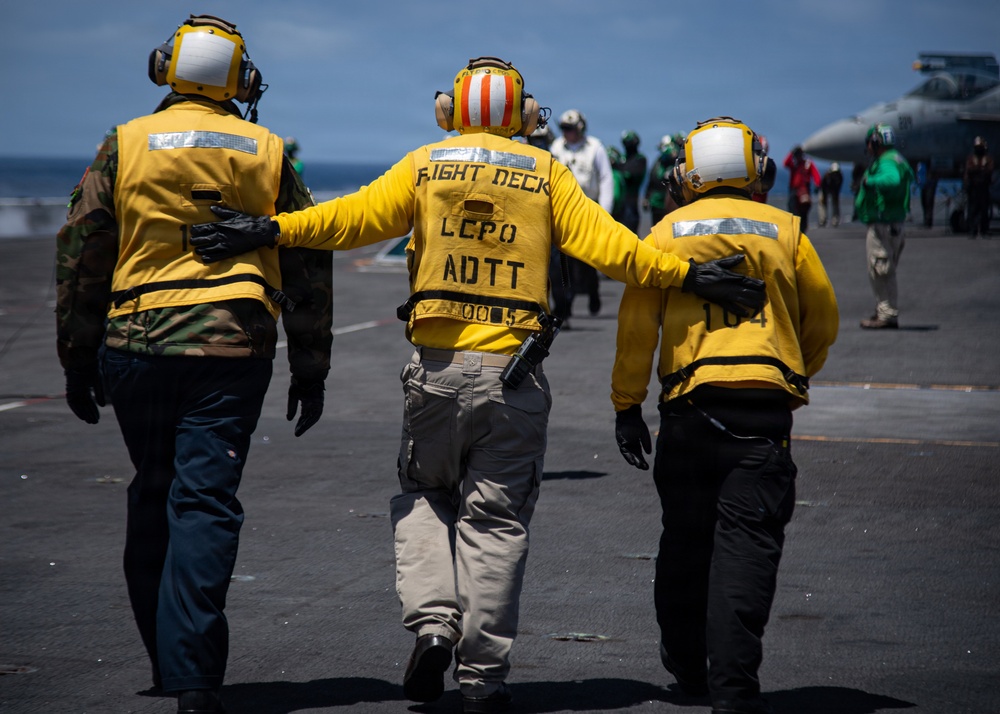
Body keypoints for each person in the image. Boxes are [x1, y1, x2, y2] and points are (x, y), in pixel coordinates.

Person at [188, 57, 766, 714]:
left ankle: (434, 624)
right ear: (523, 114)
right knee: (495, 526)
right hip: (513, 383)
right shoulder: (545, 172)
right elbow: (617, 251)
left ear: (451, 110)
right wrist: (691, 275)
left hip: (434, 377)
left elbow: (346, 221)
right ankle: (483, 682)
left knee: (424, 499)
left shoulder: (426, 163)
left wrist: (267, 229)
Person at [54, 15, 333, 714]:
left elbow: (83, 249)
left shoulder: (125, 142)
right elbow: (306, 256)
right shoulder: (267, 149)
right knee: (204, 502)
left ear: (165, 69)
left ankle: (169, 665)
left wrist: (76, 358)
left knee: (153, 489)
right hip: (232, 348)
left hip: (137, 343)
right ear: (244, 81)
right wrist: (311, 367)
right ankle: (194, 680)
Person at [610, 117, 839, 714]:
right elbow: (823, 319)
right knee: (745, 553)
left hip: (687, 414)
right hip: (763, 418)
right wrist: (791, 370)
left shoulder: (664, 234)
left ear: (687, 177)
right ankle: (734, 691)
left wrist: (627, 406)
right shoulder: (787, 231)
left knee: (685, 543)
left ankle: (687, 668)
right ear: (757, 172)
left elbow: (636, 329)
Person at [549, 108, 615, 316]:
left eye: (570, 128)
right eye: (563, 128)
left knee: (587, 258)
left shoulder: (595, 147)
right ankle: (565, 305)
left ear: (580, 128)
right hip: (563, 209)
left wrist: (604, 213)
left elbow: (605, 179)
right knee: (563, 260)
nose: (566, 132)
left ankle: (593, 291)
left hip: (588, 207)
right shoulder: (556, 147)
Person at [856, 123, 915, 329]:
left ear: (875, 142)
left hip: (883, 225)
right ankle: (884, 309)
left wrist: (869, 181)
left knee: (881, 269)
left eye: (869, 143)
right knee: (884, 269)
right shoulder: (896, 158)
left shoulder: (887, 161)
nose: (868, 147)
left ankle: (887, 314)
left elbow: (893, 179)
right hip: (892, 223)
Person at [527, 124, 572, 327]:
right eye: (534, 139)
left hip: (552, 228)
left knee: (558, 274)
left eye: (542, 139)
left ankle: (563, 315)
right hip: (528, 228)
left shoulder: (557, 164)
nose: (538, 143)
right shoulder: (520, 161)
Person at [612, 130, 648, 234]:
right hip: (619, 199)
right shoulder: (623, 158)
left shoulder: (640, 159)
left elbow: (631, 175)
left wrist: (618, 166)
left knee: (630, 229)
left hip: (631, 199)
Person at [644, 134, 681, 225]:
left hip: (672, 202)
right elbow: (651, 181)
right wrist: (646, 198)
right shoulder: (658, 163)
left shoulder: (677, 162)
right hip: (657, 202)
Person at [783, 146, 821, 231]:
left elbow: (815, 174)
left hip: (804, 191)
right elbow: (785, 163)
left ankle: (802, 229)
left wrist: (817, 184)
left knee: (804, 211)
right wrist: (791, 153)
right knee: (792, 209)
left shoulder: (807, 164)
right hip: (794, 191)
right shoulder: (794, 164)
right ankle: (795, 228)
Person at [963, 136, 994, 238]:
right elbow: (969, 170)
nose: (979, 149)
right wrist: (980, 170)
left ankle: (984, 230)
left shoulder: (987, 159)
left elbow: (989, 170)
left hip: (984, 188)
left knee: (984, 210)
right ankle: (973, 230)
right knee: (973, 210)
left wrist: (978, 170)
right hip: (974, 188)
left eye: (980, 147)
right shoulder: (971, 159)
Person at [817, 162, 843, 227]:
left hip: (834, 189)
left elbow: (838, 186)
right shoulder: (826, 176)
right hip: (825, 188)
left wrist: (835, 195)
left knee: (835, 203)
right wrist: (824, 196)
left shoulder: (840, 177)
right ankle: (822, 220)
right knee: (822, 203)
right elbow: (823, 185)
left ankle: (835, 219)